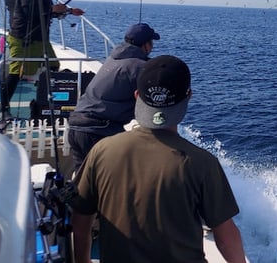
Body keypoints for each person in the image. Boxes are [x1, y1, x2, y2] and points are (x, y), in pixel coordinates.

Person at [71, 55, 247, 263]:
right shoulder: (202, 163)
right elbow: (226, 240)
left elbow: (80, 222)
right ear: (188, 96)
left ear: (137, 96)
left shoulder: (101, 151)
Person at [67, 22, 160, 172]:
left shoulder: (112, 59)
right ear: (146, 45)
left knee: (82, 179)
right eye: (151, 42)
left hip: (75, 126)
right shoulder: (139, 67)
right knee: (114, 177)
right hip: (98, 130)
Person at [1, 0, 84, 120]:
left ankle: (43, 102)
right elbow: (30, 12)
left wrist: (68, 11)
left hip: (40, 39)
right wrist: (54, 9)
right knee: (16, 73)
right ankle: (4, 110)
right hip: (23, 39)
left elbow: (45, 12)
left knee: (53, 66)